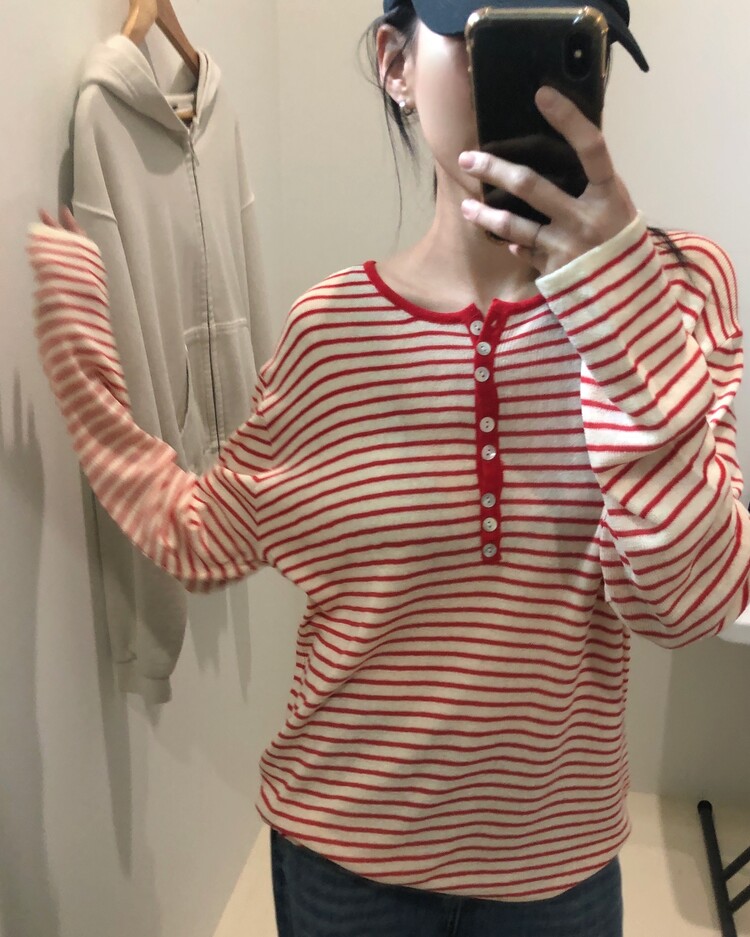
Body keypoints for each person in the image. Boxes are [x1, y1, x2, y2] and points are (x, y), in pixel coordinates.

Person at [26, 1, 748, 935]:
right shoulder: (331, 332)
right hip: (344, 861)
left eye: (569, 38)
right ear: (394, 64)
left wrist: (617, 313)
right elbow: (201, 537)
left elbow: (687, 604)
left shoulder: (677, 292)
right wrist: (83, 357)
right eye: (486, 31)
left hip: (556, 872)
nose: (527, 79)